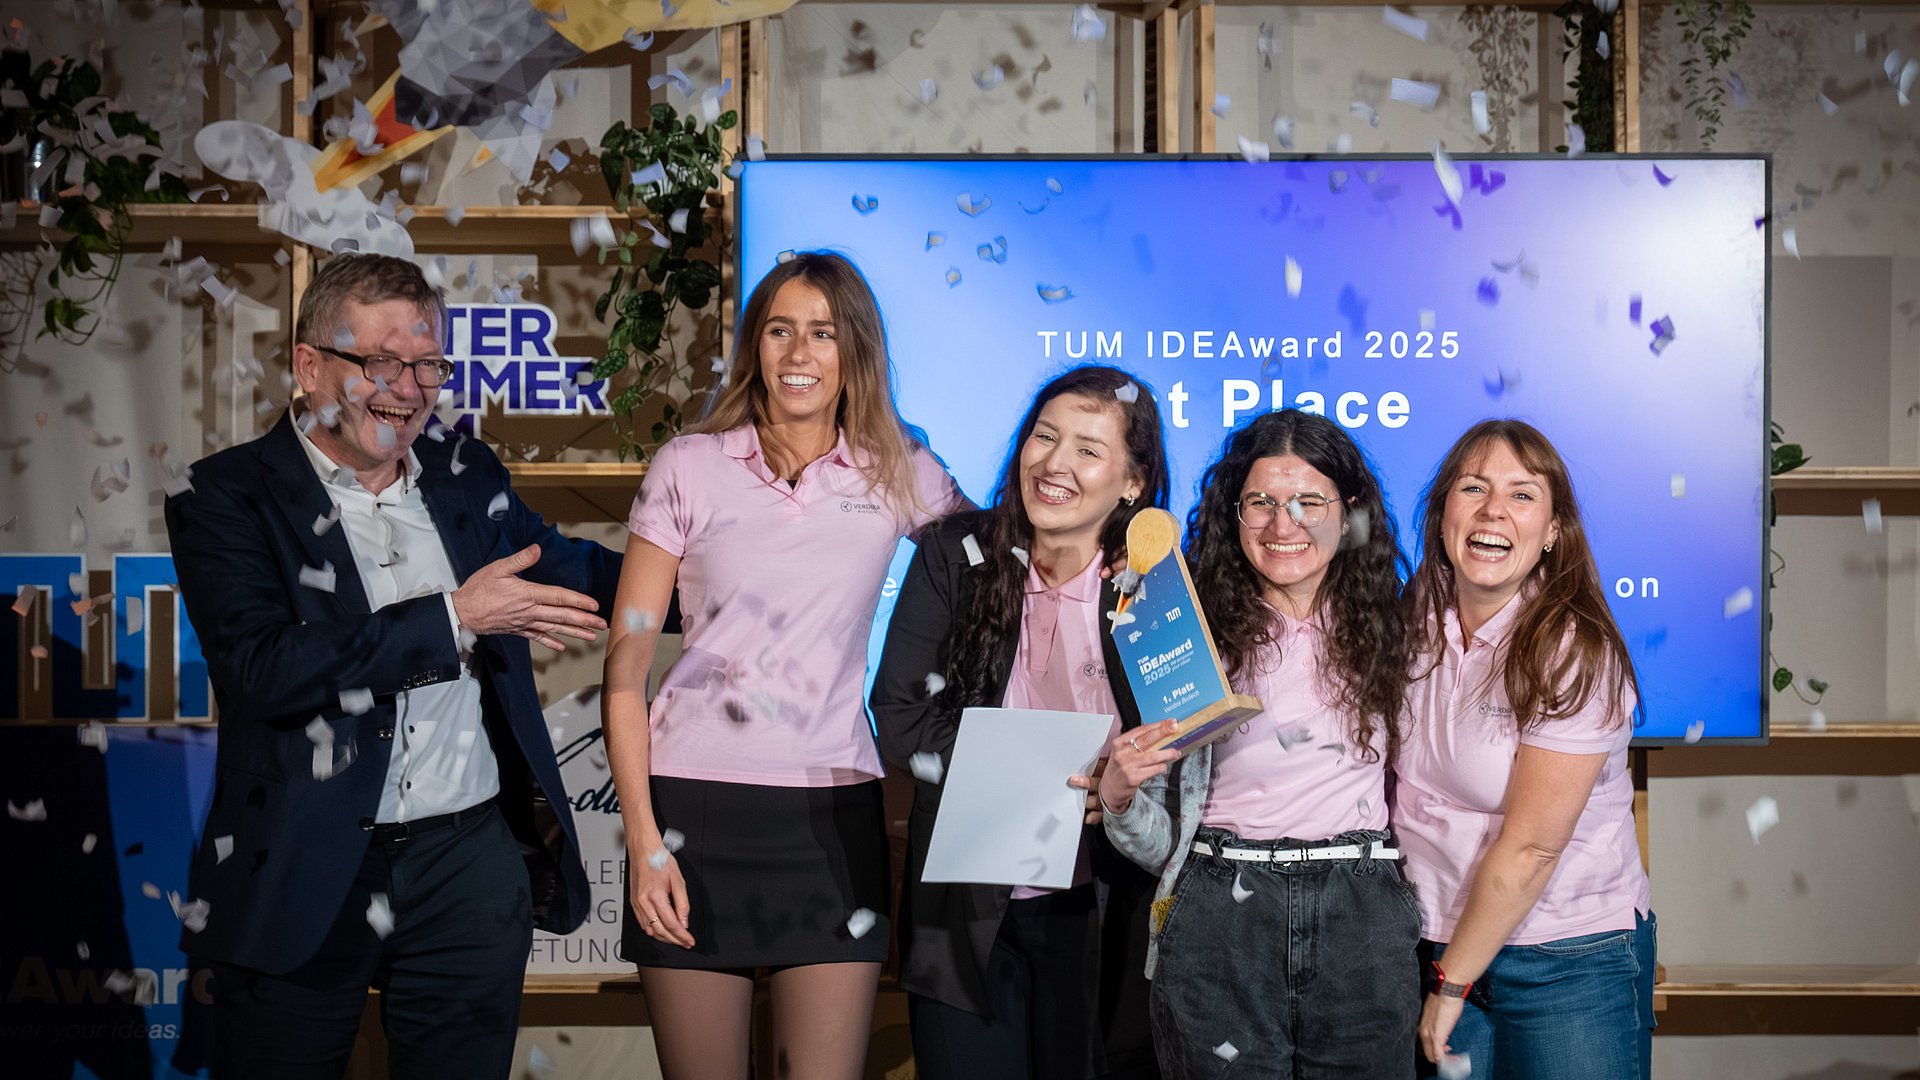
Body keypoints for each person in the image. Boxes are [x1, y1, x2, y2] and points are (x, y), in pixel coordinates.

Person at [165, 253, 621, 1078]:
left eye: (426, 364)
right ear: (310, 367)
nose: (408, 389)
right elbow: (265, 665)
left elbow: (564, 568)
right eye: (380, 362)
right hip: (304, 863)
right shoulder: (225, 496)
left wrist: (713, 585)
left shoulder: (462, 471)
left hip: (466, 862)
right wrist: (454, 618)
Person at [603, 251, 967, 1080]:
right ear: (753, 347)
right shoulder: (688, 467)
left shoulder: (900, 472)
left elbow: (1000, 569)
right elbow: (625, 669)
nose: (799, 353)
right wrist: (644, 843)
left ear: (855, 354)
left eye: (823, 333)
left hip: (836, 818)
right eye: (779, 331)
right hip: (691, 815)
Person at [1099, 409, 1420, 1079]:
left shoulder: (1403, 627)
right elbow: (1158, 844)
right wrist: (1121, 795)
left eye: (1309, 502)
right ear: (1230, 511)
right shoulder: (1181, 627)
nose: (1283, 525)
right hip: (1219, 907)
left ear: (1350, 509)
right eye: (1260, 504)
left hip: (1363, 911)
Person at [871, 365, 1171, 1080]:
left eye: (1089, 450)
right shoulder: (954, 555)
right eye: (1045, 436)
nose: (1056, 463)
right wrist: (1059, 780)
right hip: (965, 905)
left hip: (1103, 907)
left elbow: (1180, 751)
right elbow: (900, 720)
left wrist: (1125, 790)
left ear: (1132, 482)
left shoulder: (1155, 588)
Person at [1395, 418, 1655, 1079]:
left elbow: (1533, 847)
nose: (1492, 511)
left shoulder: (1575, 651)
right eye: (1473, 488)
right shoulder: (1417, 609)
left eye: (1521, 495)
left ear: (1553, 532)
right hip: (1431, 941)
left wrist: (1451, 984)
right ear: (1442, 513)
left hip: (1565, 960)